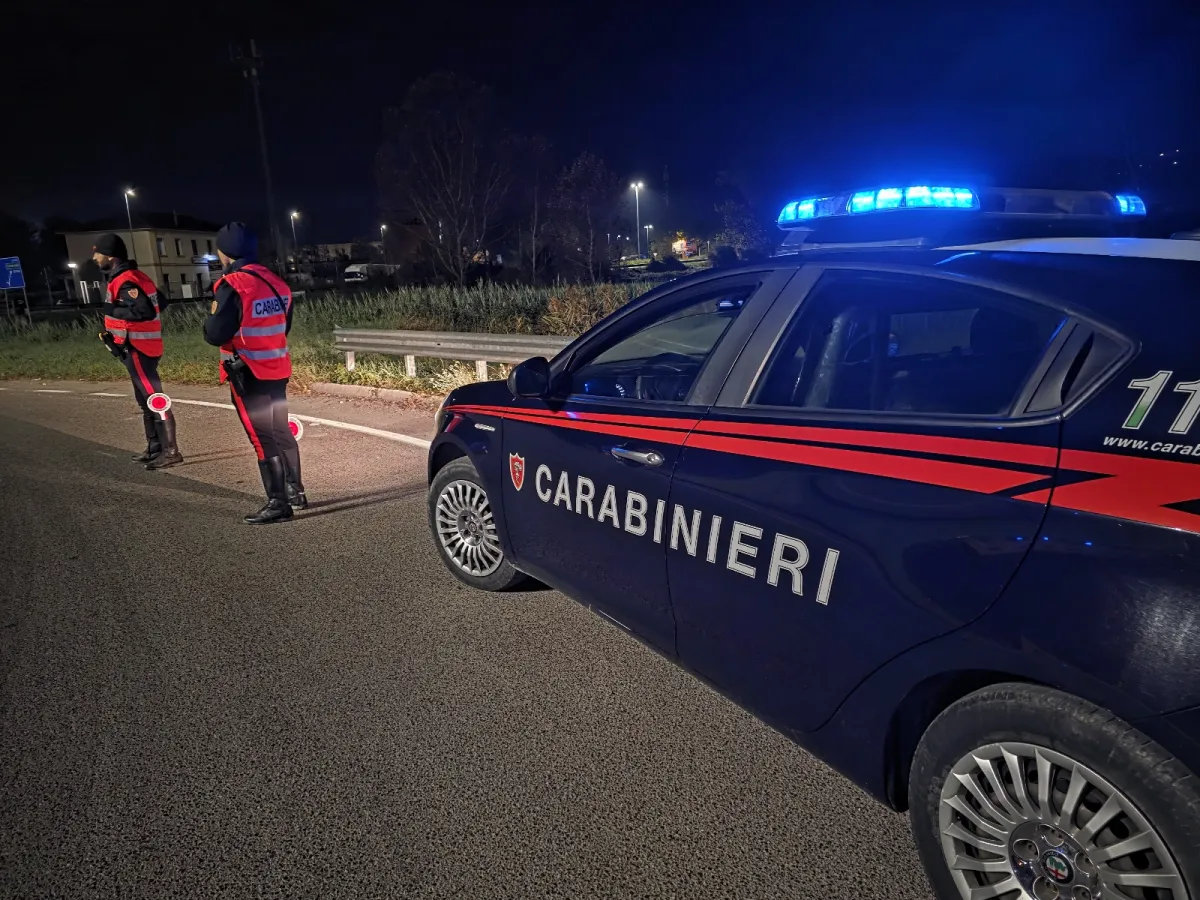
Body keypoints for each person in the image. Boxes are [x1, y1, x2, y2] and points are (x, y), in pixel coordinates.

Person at [203, 223, 306, 525]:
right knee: (280, 430)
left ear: (225, 251)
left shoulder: (233, 284)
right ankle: (296, 491)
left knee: (262, 437)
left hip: (247, 372)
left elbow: (215, 332)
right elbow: (283, 326)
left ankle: (278, 503)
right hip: (277, 368)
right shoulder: (276, 282)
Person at [94, 232, 183, 469]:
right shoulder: (134, 276)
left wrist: (112, 310)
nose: (94, 257)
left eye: (98, 252)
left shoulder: (127, 280)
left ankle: (171, 451)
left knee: (154, 399)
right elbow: (161, 302)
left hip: (138, 348)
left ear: (110, 256)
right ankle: (154, 447)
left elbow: (146, 311)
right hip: (136, 348)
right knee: (144, 400)